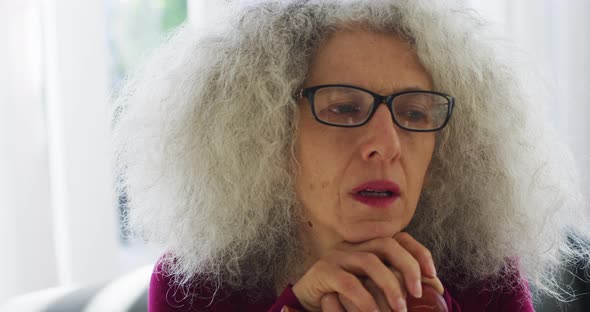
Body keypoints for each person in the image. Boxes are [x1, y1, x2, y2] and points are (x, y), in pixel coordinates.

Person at [112, 0, 590, 311]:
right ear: (267, 133)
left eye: (416, 113)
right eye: (344, 108)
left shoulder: (484, 277)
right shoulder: (196, 291)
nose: (387, 143)